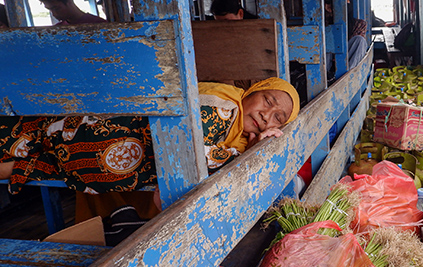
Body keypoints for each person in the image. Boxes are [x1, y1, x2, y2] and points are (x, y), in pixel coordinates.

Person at [0, 78, 300, 199]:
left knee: (26, 164)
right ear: (252, 92)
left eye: (278, 118)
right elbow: (190, 155)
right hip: (82, 136)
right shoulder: (219, 108)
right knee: (24, 139)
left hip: (88, 166)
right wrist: (249, 154)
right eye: (267, 100)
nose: (267, 114)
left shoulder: (236, 136)